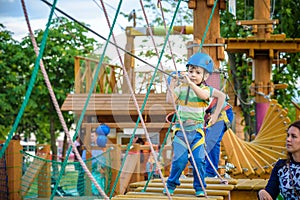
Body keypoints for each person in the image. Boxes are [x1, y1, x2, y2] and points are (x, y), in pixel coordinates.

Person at [164, 52, 226, 197]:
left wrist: (215, 115)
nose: (192, 74)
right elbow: (169, 100)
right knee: (180, 160)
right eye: (190, 71)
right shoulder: (181, 89)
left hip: (197, 132)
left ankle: (200, 187)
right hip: (181, 131)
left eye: (197, 72)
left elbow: (214, 96)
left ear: (205, 77)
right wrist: (172, 84)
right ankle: (171, 184)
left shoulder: (204, 90)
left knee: (199, 160)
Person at [258, 120, 300, 200]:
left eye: (293, 136)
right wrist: (262, 192)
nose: (288, 139)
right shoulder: (281, 166)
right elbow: (271, 191)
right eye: (288, 135)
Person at [204, 96, 234, 177]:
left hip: (222, 113)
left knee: (210, 141)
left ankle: (210, 173)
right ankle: (205, 170)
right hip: (209, 114)